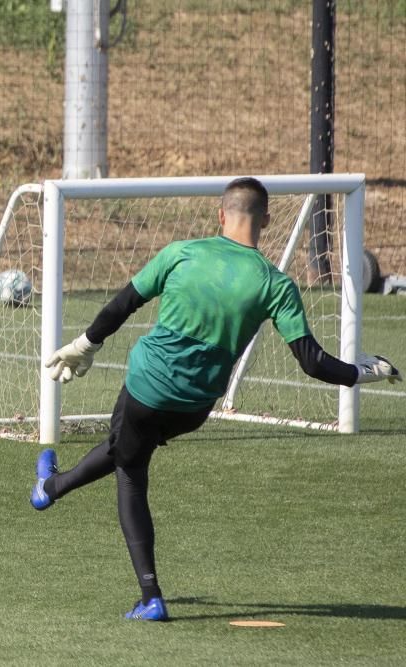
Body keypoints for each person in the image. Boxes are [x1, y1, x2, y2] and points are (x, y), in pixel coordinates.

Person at [32, 177, 401, 621]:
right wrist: (364, 371)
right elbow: (314, 363)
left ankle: (150, 597)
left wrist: (85, 345)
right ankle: (50, 487)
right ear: (266, 220)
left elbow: (123, 304)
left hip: (148, 387)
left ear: (220, 214)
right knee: (124, 449)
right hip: (195, 406)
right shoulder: (276, 284)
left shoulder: (182, 252)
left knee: (130, 471)